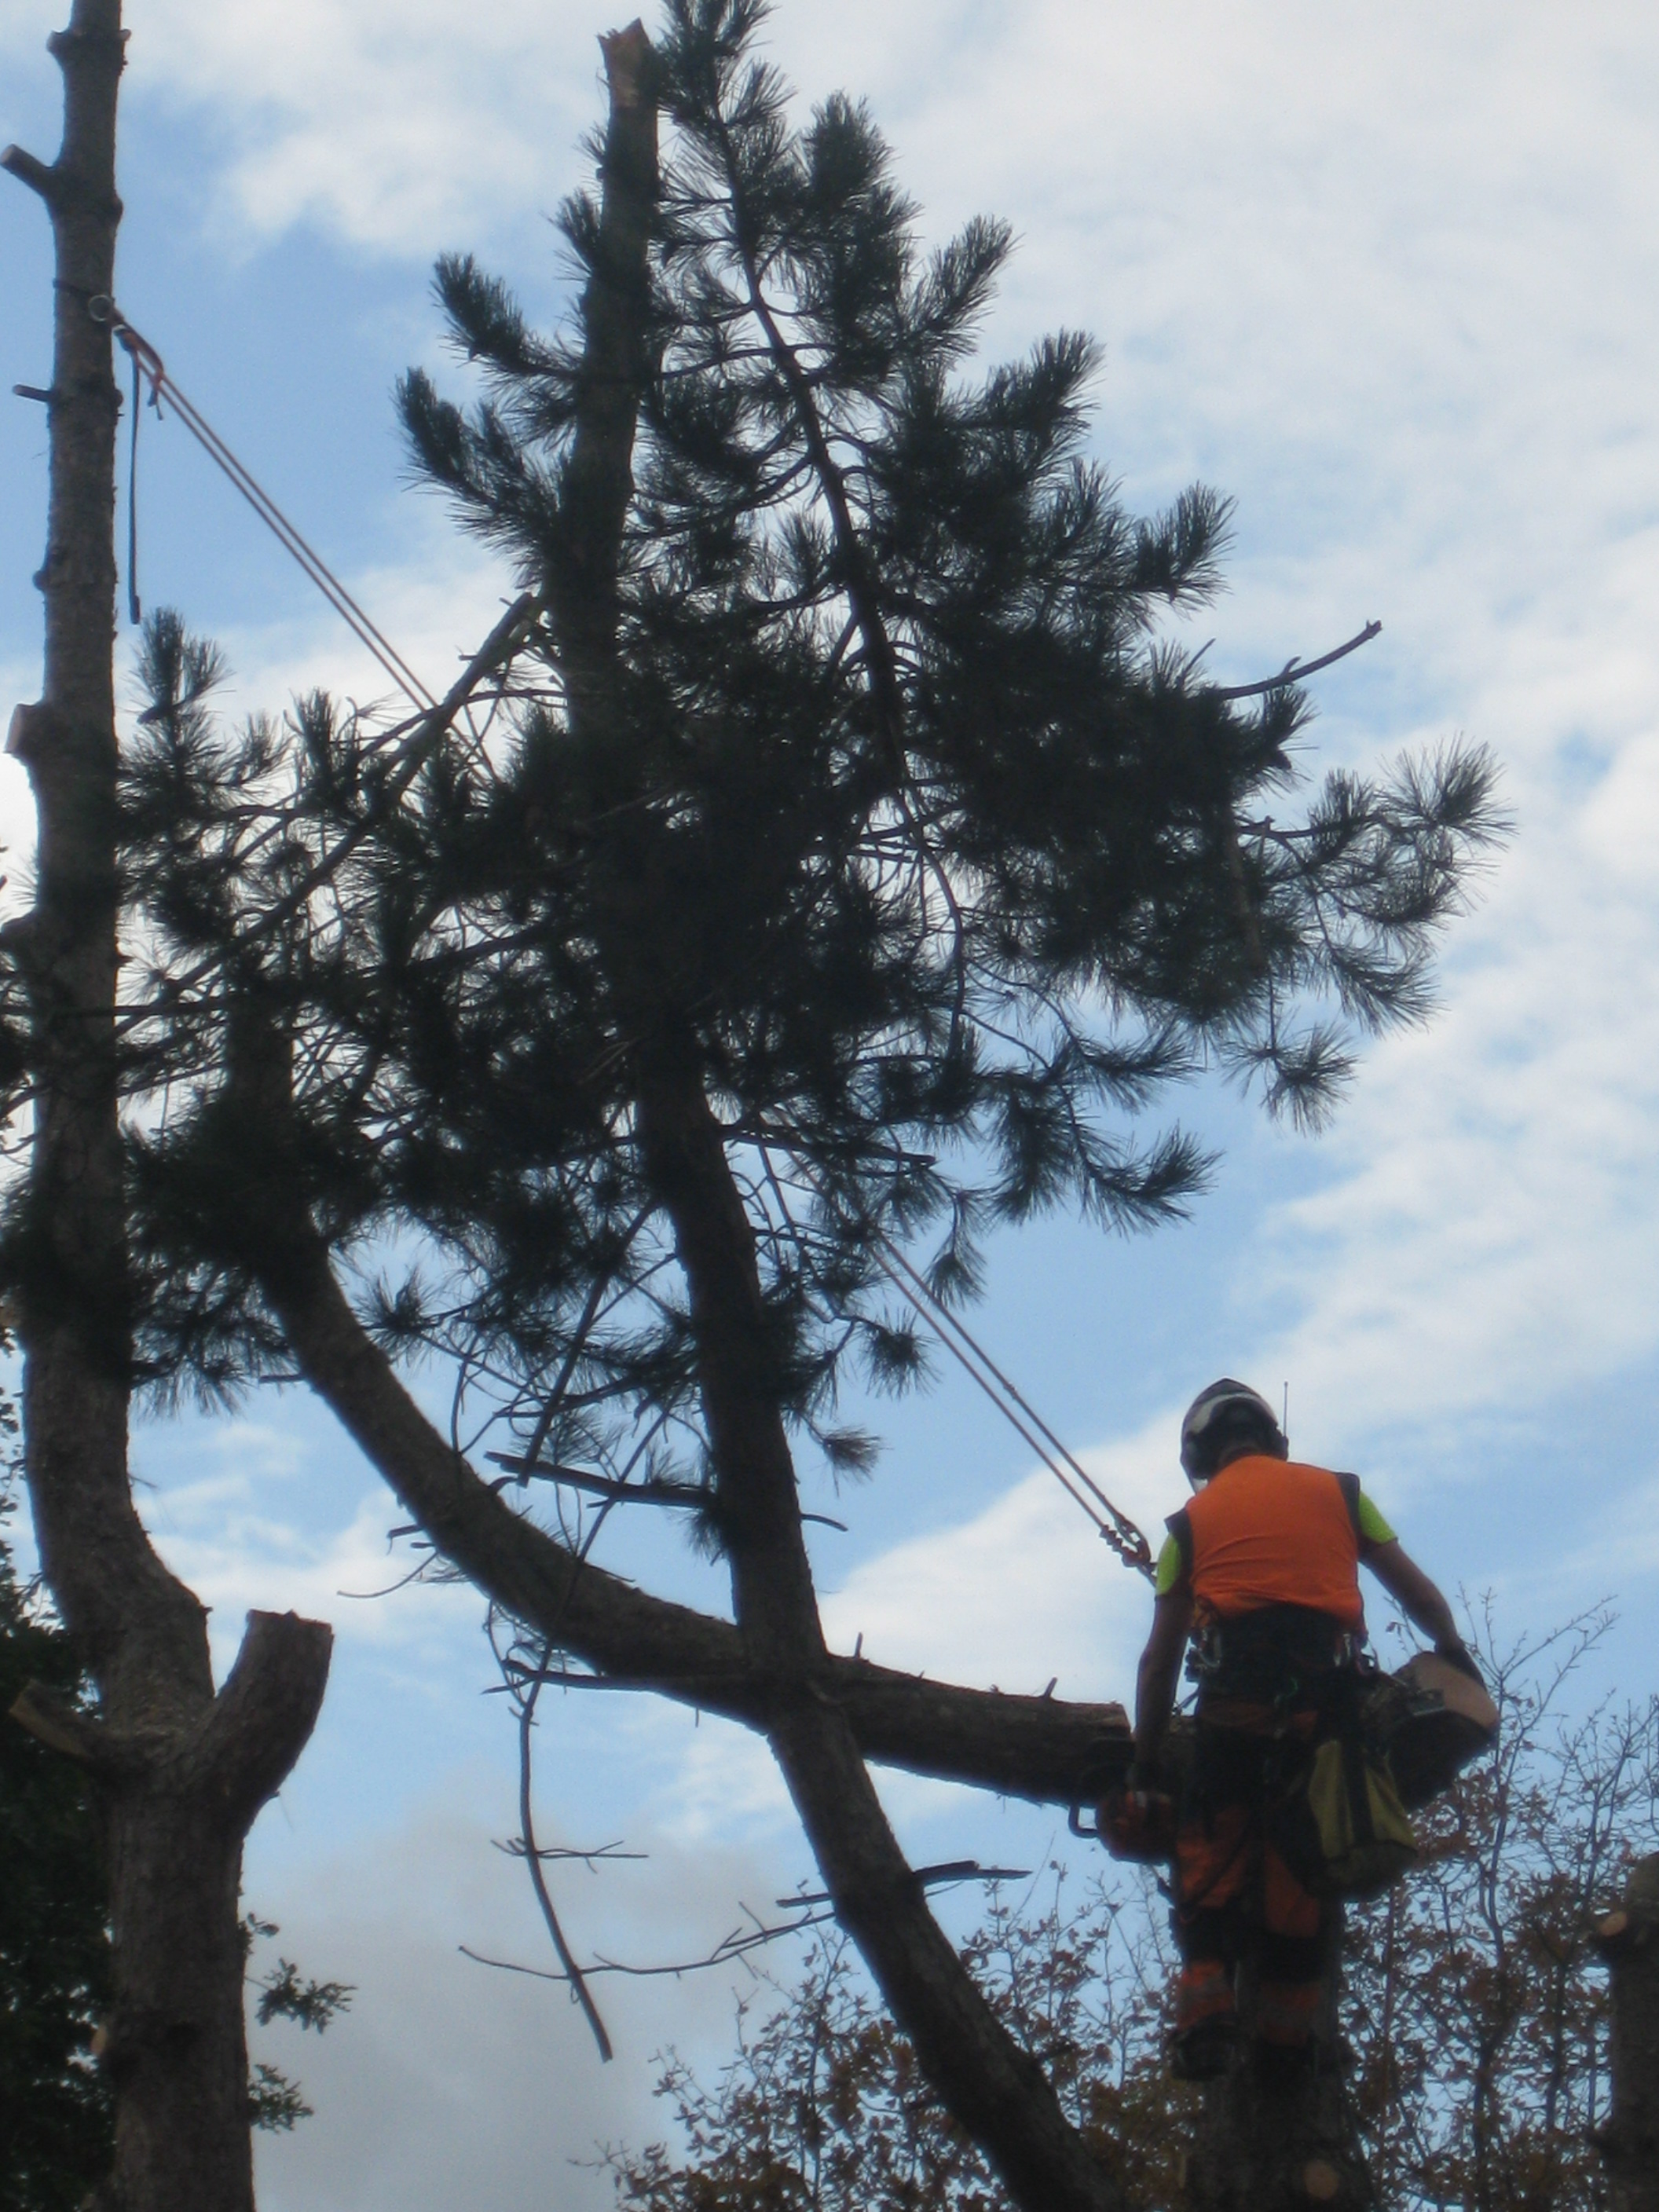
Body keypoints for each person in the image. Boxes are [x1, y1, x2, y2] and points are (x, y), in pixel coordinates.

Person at [1129, 1378, 1470, 2082]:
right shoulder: (1341, 1495)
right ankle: (1288, 2050)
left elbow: (1158, 1662)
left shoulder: (1187, 1528)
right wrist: (1454, 1652)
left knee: (1211, 1847)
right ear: (1274, 1441)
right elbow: (1419, 1594)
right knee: (1303, 1869)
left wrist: (1145, 1758)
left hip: (1233, 1712)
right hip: (1325, 1713)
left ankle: (1205, 2015)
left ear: (1201, 1455)